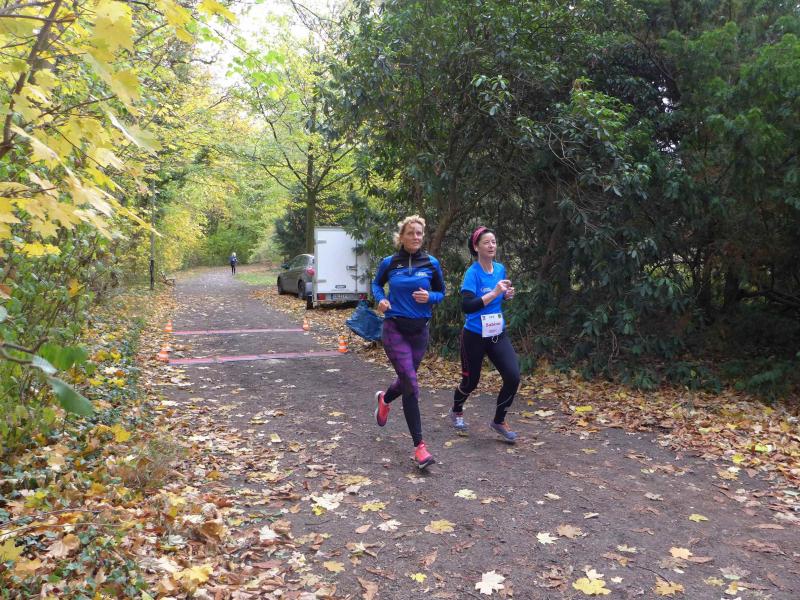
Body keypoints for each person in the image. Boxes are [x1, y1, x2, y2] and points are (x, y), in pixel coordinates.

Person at [372, 215, 445, 469]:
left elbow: (442, 292)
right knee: (411, 383)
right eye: (411, 233)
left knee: (407, 379)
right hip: (394, 328)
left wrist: (430, 297)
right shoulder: (390, 263)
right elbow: (376, 284)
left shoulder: (431, 263)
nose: (416, 237)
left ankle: (384, 399)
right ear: (401, 236)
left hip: (420, 332)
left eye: (419, 233)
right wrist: (381, 299)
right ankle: (420, 447)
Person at [450, 226, 520, 443]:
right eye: (486, 242)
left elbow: (499, 296)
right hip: (474, 336)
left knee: (513, 377)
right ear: (476, 247)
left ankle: (499, 421)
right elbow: (468, 306)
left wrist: (506, 295)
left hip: (497, 333)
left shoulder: (500, 269)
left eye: (494, 242)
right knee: (470, 382)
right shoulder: (472, 274)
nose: (491, 246)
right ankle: (457, 409)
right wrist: (495, 292)